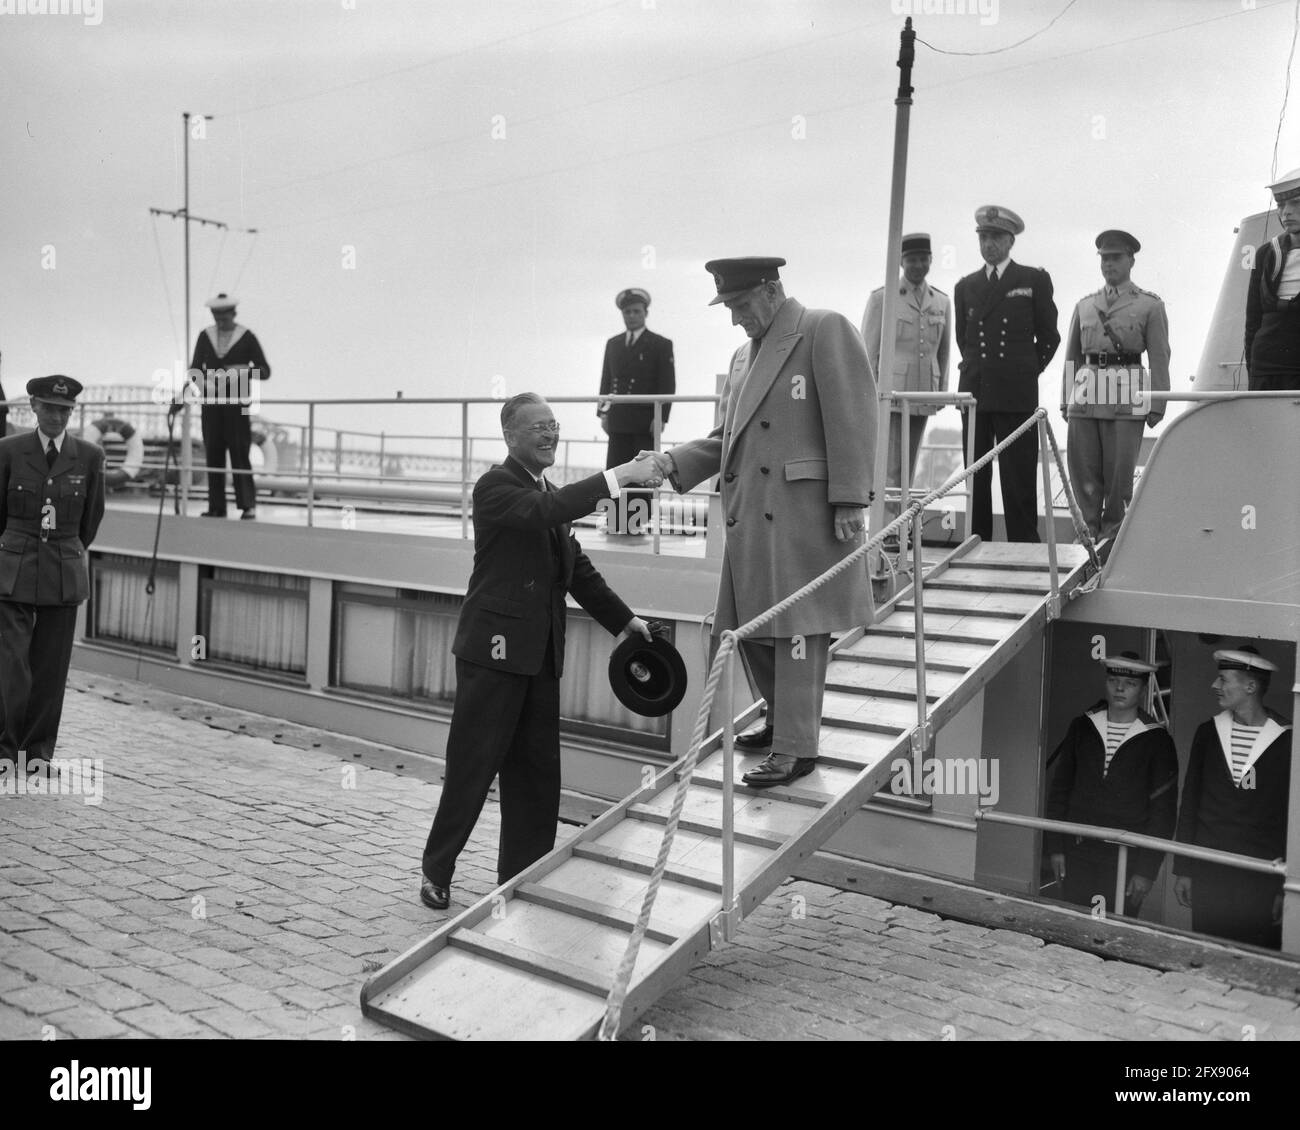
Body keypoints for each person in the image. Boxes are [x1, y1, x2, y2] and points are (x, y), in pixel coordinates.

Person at [418, 394, 661, 909]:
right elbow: (546, 511)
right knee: (473, 768)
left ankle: (521, 878)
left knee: (535, 775)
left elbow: (578, 571)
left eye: (554, 426)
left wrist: (626, 622)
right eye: (538, 428)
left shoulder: (549, 492)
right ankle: (437, 870)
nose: (550, 435)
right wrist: (621, 475)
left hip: (541, 656)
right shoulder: (497, 488)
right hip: (492, 656)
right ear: (510, 437)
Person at [643, 257, 876, 789]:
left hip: (803, 513)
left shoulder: (823, 328)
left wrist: (849, 500)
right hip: (752, 514)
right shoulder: (744, 354)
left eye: (741, 305)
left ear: (771, 291)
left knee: (797, 630)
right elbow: (728, 435)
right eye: (728, 307)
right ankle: (779, 721)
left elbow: (854, 417)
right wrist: (669, 463)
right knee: (749, 629)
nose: (734, 318)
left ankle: (797, 748)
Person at [0, 376, 105, 764]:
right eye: (50, 408)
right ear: (33, 406)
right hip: (13, 571)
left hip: (62, 573)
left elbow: (90, 520)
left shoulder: (89, 456)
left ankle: (37, 754)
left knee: (51, 669)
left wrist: (65, 551)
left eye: (65, 410)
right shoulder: (8, 451)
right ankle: (4, 750)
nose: (58, 416)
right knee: (11, 666)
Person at [953, 205, 1060, 543]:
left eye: (996, 237)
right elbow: (963, 338)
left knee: (1018, 477)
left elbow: (1049, 336)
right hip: (976, 392)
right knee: (976, 475)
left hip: (1016, 393)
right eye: (984, 237)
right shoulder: (965, 285)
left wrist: (1026, 370)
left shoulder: (1032, 279)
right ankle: (976, 541)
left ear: (1011, 240)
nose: (989, 244)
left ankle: (1024, 545)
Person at [1174, 646, 1292, 949]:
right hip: (1208, 871)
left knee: (1255, 957)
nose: (1216, 686)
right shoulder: (1208, 732)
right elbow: (1190, 802)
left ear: (1250, 686)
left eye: (1224, 679)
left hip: (1261, 878)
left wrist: (1284, 887)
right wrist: (1184, 868)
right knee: (1206, 952)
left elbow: (1290, 817)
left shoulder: (1287, 740)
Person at [1044, 651, 1178, 916]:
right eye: (1114, 680)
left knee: (1117, 931)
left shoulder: (1157, 739)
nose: (1120, 688)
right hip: (1078, 849)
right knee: (1074, 924)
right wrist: (1055, 848)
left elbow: (1163, 811)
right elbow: (1060, 790)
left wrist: (1146, 870)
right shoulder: (1083, 726)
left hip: (1126, 857)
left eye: (1130, 684)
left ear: (1142, 689)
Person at [1060, 230, 1170, 541]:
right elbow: (1072, 355)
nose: (1109, 264)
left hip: (1126, 391)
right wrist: (1065, 400)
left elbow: (1160, 357)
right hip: (1085, 393)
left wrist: (1157, 403)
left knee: (1120, 478)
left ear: (1131, 260)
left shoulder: (1150, 306)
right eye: (1104, 259)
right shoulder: (1085, 306)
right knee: (1083, 474)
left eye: (1116, 258)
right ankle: (1086, 537)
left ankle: (1112, 541)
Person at [861, 232, 950, 545]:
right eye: (912, 259)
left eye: (923, 259)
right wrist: (870, 398)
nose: (918, 265)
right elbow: (867, 352)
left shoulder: (941, 301)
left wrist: (941, 393)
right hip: (892, 395)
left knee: (908, 466)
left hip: (922, 393)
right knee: (890, 468)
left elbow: (943, 352)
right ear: (901, 261)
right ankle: (888, 532)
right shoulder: (883, 298)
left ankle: (899, 528)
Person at [598, 288, 675, 536]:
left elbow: (667, 385)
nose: (631, 316)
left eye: (636, 311)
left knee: (642, 473)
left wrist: (660, 417)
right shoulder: (614, 344)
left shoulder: (660, 345)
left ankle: (636, 523)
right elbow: (606, 381)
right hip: (618, 420)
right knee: (615, 471)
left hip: (644, 421)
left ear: (645, 313)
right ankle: (615, 521)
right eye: (627, 312)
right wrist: (603, 413)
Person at [189, 293, 271, 520]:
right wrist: (205, 383)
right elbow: (194, 369)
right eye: (217, 317)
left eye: (224, 318)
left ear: (233, 314)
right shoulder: (205, 336)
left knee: (239, 452)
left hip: (237, 404)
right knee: (213, 452)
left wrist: (242, 371)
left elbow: (265, 371)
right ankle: (217, 506)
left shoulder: (247, 337)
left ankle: (247, 505)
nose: (220, 322)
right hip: (212, 403)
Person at [1244, 167, 1300, 391]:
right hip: (1266, 365)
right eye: (1281, 205)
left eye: (1296, 203)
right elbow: (1253, 318)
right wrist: (1252, 370)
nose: (1286, 212)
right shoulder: (1267, 253)